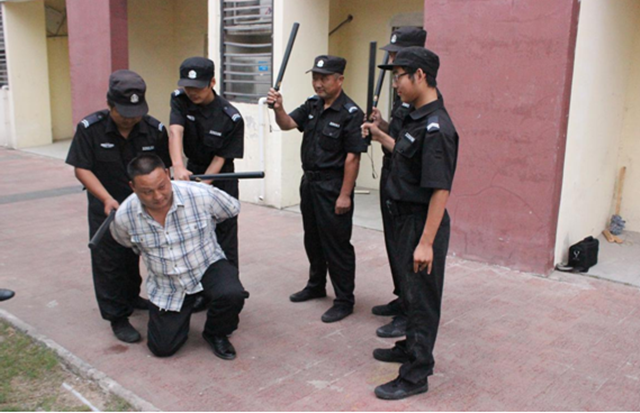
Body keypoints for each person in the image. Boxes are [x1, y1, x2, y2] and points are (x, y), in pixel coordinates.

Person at [363, 47, 459, 400]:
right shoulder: (416, 119)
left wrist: (426, 242)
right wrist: (381, 133)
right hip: (405, 220)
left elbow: (440, 189)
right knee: (410, 293)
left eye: (399, 76)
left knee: (422, 302)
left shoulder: (437, 128)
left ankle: (416, 374)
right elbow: (405, 157)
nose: (395, 84)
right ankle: (409, 348)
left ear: (420, 75)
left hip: (422, 223)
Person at [66, 70, 171, 343]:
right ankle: (117, 316)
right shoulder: (90, 128)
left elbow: (164, 170)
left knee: (135, 256)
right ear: (110, 104)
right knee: (109, 261)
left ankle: (132, 297)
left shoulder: (154, 130)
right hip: (107, 207)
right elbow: (82, 168)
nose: (131, 119)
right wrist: (105, 198)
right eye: (124, 113)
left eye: (135, 113)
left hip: (143, 208)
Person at [110, 154, 249, 359]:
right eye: (147, 192)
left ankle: (216, 333)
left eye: (162, 186)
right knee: (162, 348)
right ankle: (182, 311)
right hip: (168, 284)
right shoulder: (125, 216)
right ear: (133, 187)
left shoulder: (199, 194)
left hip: (206, 265)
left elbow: (232, 208)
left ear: (168, 174)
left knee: (231, 293)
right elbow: (125, 241)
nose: (158, 196)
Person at [266, 55, 368, 323]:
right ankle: (316, 285)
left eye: (324, 78)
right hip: (310, 183)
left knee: (336, 244)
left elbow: (353, 158)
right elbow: (287, 124)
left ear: (340, 79)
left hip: (333, 186)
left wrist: (345, 195)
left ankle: (344, 300)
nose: (318, 83)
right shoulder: (313, 105)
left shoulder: (351, 113)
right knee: (312, 238)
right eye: (315, 78)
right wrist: (278, 108)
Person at [368, 27, 428, 339]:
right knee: (394, 243)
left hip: (406, 182)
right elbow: (400, 135)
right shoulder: (402, 95)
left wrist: (380, 136)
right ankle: (401, 296)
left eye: (395, 55)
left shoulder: (422, 98)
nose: (391, 60)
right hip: (392, 175)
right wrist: (383, 125)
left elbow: (409, 150)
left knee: (406, 248)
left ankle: (410, 311)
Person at [168, 56, 244, 269]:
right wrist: (178, 166)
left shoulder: (230, 117)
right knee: (192, 234)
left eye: (198, 87)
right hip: (191, 170)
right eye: (188, 87)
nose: (192, 92)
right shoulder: (180, 99)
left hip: (220, 178)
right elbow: (175, 131)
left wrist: (201, 187)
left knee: (224, 237)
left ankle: (229, 286)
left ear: (212, 83)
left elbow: (220, 158)